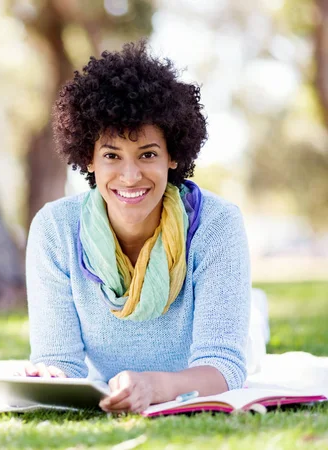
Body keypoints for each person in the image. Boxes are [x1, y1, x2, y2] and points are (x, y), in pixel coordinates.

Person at [24, 41, 253, 414]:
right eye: (112, 155)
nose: (130, 177)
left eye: (148, 154)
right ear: (89, 158)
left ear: (173, 156)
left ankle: (253, 310)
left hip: (200, 369)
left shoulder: (216, 223)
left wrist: (155, 384)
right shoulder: (55, 229)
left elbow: (225, 365)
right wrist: (50, 376)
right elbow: (59, 359)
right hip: (129, 386)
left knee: (249, 333)